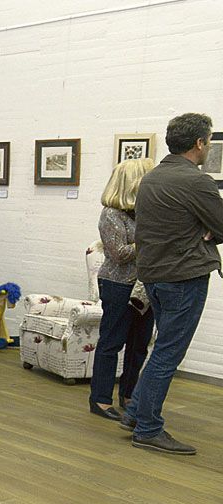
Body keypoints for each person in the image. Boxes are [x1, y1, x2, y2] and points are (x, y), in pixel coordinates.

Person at [121, 113, 223, 455]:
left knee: (162, 347)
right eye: (208, 141)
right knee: (168, 353)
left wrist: (203, 228)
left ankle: (135, 413)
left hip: (155, 277)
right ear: (199, 143)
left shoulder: (152, 179)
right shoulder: (196, 182)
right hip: (184, 279)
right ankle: (148, 428)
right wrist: (205, 230)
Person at [87, 159, 156, 421]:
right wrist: (150, 242)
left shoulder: (144, 213)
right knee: (112, 342)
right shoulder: (111, 214)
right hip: (117, 284)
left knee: (139, 345)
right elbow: (119, 254)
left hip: (144, 287)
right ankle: (100, 399)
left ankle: (129, 395)